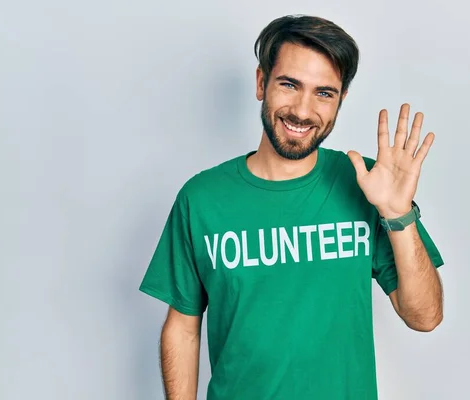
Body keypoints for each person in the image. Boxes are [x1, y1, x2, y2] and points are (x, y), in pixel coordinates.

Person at [139, 14, 445, 400]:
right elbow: (183, 326)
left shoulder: (368, 184)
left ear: (341, 100)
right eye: (289, 85)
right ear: (261, 82)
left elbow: (425, 316)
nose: (302, 110)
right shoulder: (201, 198)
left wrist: (398, 215)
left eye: (324, 93)